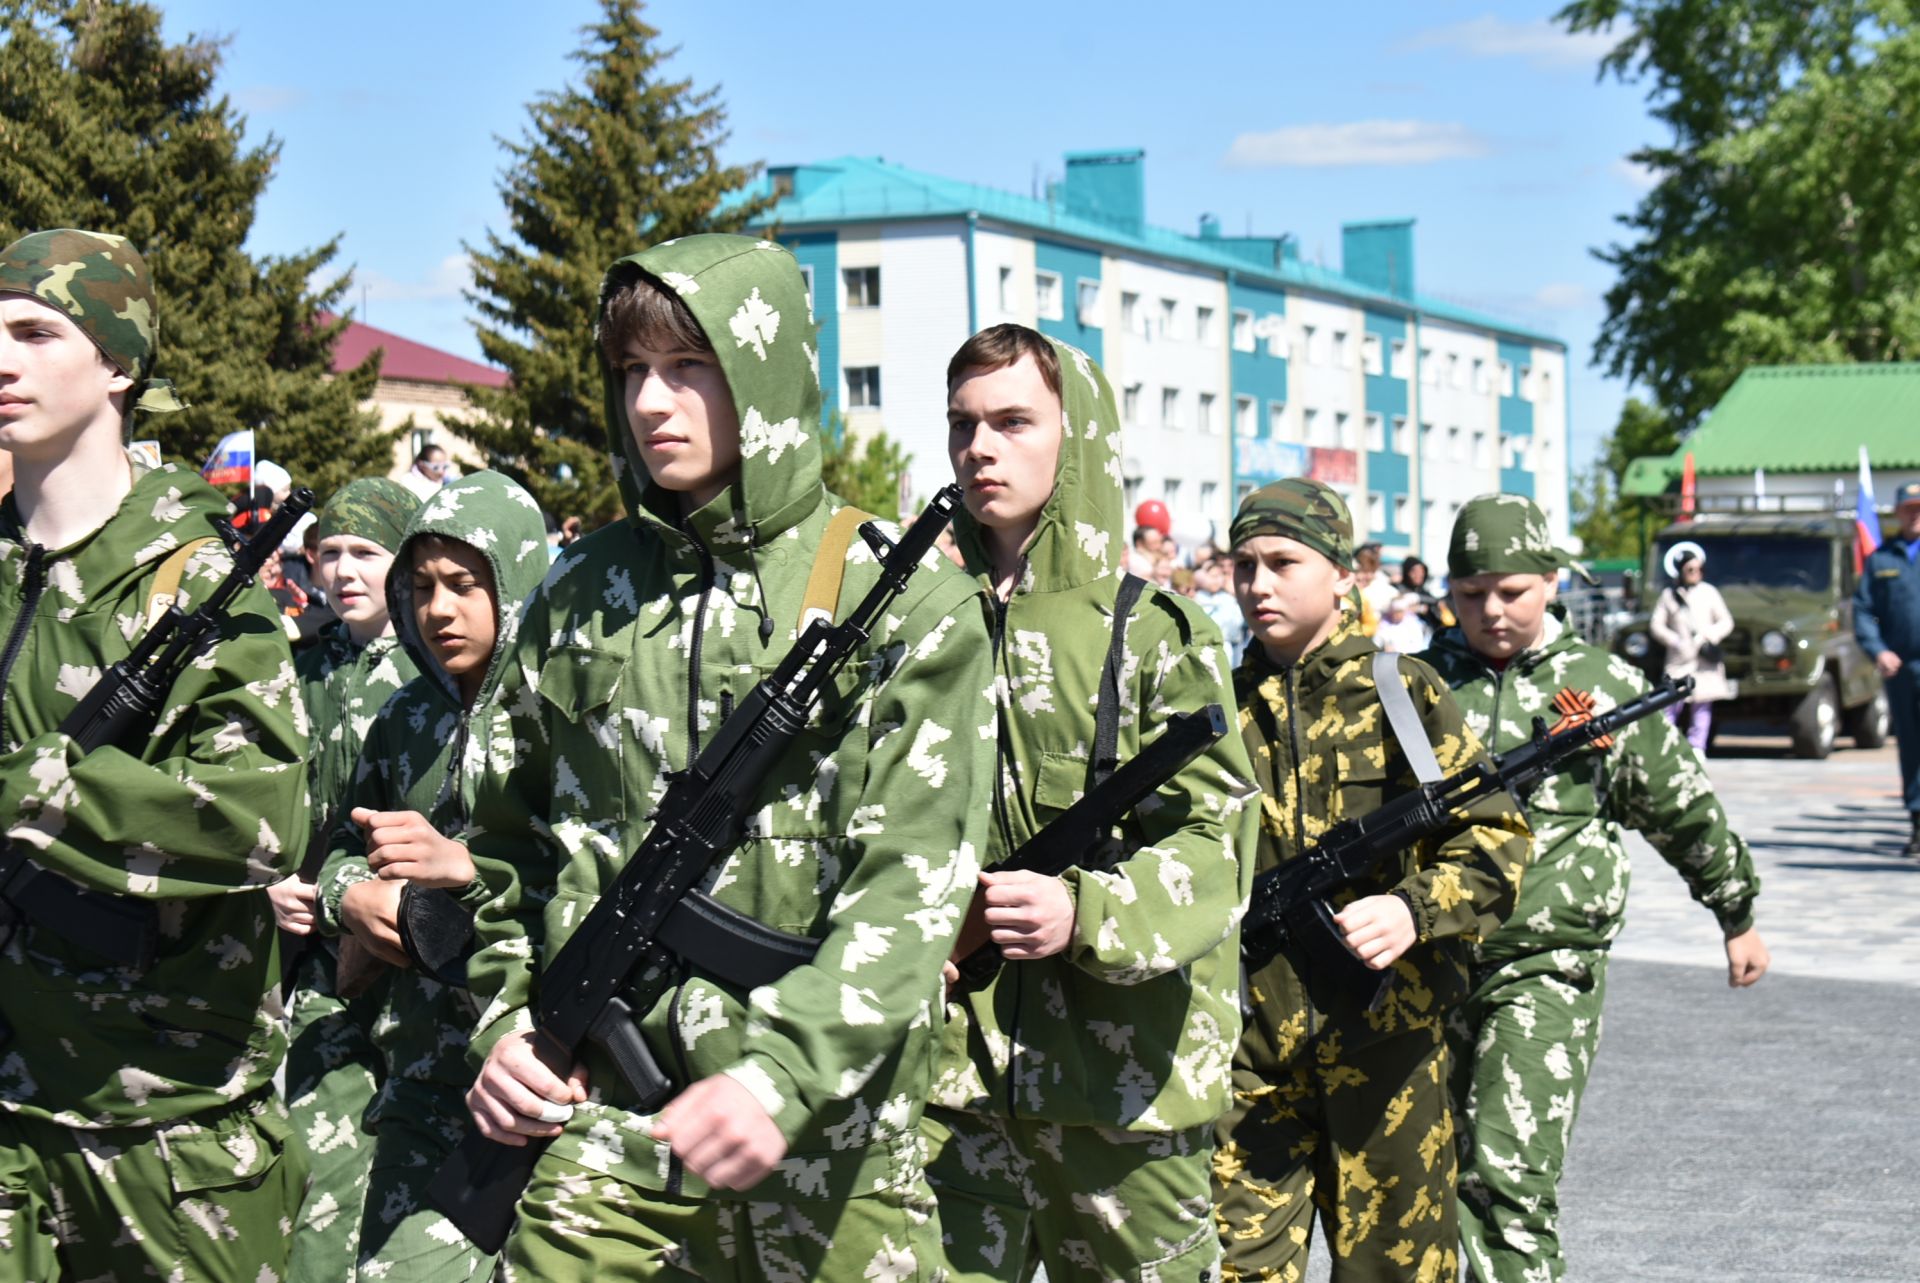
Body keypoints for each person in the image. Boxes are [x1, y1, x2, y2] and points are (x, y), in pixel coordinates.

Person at [460, 234, 994, 1277]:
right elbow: (499, 846)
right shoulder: (576, 596)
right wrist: (502, 1025)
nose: (652, 402)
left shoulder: (906, 600)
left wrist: (779, 1075)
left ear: (762, 372)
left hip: (830, 1147)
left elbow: (913, 889)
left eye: (690, 366)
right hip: (601, 1142)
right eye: (631, 373)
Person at [0, 228, 309, 1281]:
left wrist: (28, 789)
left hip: (164, 1143)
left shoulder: (196, 578)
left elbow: (257, 813)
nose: (4, 360)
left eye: (37, 332)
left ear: (120, 364)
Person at [928, 323, 1257, 1281]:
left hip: (1124, 1091)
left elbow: (1218, 842)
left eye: (1014, 421)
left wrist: (1087, 909)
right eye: (962, 425)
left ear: (1078, 438)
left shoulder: (1157, 634)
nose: (980, 447)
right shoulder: (927, 625)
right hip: (956, 1082)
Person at [1423, 493, 1767, 1283]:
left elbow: (1682, 807)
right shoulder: (1418, 686)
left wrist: (1735, 911)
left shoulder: (1602, 682)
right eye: (1471, 594)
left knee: (1508, 1176)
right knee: (1427, 1183)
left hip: (1548, 961)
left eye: (1511, 590)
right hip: (1426, 962)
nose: (1491, 611)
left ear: (1551, 581)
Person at [1213, 479, 1528, 1283]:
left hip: (1385, 1053)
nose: (1259, 583)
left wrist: (1413, 908)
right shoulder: (1211, 707)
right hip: (1248, 1057)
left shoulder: (1405, 692)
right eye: (1244, 564)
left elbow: (1496, 839)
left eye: (1284, 561)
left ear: (1344, 573)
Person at [311, 470, 548, 1280]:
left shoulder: (559, 715)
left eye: (463, 584)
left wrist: (468, 870)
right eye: (419, 587)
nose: (437, 608)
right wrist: (351, 895)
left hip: (536, 1075)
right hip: (419, 1077)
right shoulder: (405, 716)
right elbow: (342, 847)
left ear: (516, 578)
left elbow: (600, 879)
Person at [272, 476, 423, 1283]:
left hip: (400, 956)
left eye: (366, 551)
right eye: (328, 551)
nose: (344, 569)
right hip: (303, 956)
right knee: (312, 1167)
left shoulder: (428, 675)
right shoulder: (298, 668)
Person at [1856, 479, 1920, 856]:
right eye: (1908, 508)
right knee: (1911, 746)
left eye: (1919, 508)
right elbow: (1863, 610)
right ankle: (1917, 823)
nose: (1914, 515)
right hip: (1902, 668)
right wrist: (1878, 650)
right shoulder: (1882, 559)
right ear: (1897, 513)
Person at [1648, 540, 1734, 752]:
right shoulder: (1669, 596)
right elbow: (1656, 625)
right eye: (1690, 569)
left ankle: (1697, 747)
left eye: (1698, 569)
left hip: (1703, 660)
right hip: (1679, 660)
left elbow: (1726, 621)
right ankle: (1667, 746)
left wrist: (1708, 636)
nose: (1696, 573)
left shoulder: (1709, 592)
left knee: (1702, 707)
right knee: (1670, 705)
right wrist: (1674, 640)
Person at [1192, 553, 1247, 656]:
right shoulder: (1198, 597)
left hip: (1229, 644)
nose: (1215, 581)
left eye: (1218, 576)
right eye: (1212, 576)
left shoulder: (1228, 598)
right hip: (1206, 646)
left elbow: (1236, 622)